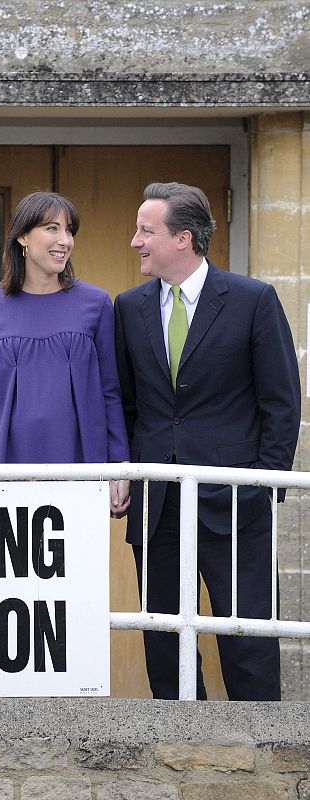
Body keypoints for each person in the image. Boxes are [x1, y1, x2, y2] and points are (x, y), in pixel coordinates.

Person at [114, 181, 301, 700]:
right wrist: (126, 471)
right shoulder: (127, 308)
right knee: (164, 639)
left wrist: (263, 486)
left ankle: (264, 754)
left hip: (235, 500)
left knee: (249, 640)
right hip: (158, 499)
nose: (135, 241)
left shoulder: (252, 300)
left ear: (185, 238)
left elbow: (282, 403)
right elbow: (127, 405)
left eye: (146, 231)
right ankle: (176, 754)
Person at [0, 190, 130, 515]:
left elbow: (110, 393)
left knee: (78, 566)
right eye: (52, 228)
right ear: (22, 236)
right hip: (6, 474)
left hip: (81, 473)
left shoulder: (96, 305)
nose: (64, 240)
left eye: (69, 230)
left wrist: (119, 467)